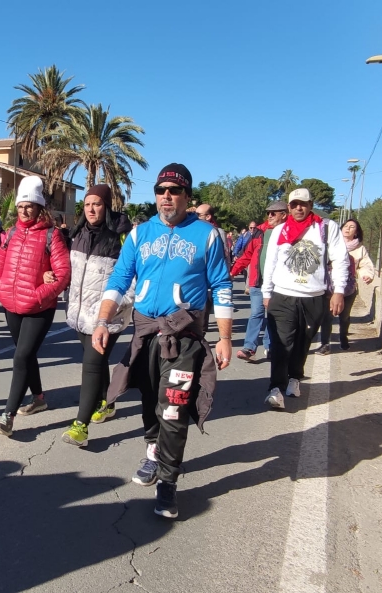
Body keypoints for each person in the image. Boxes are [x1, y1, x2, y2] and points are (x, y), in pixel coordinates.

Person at [92, 163, 233, 519]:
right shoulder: (140, 234)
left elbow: (222, 286)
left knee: (173, 405)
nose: (166, 196)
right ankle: (153, 451)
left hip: (183, 336)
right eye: (160, 190)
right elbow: (120, 278)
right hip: (144, 332)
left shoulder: (208, 235)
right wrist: (102, 320)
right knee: (149, 397)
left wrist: (226, 338)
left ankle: (168, 482)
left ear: (187, 196)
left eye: (174, 190)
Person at [0, 176, 71, 437]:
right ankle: (39, 399)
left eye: (30, 206)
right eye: (21, 206)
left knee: (21, 357)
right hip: (11, 304)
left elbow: (63, 273)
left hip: (38, 308)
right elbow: (0, 262)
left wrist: (39, 295)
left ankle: (7, 416)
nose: (24, 211)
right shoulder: (11, 232)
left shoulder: (51, 235)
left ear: (39, 207)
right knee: (27, 355)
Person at [59, 184, 132, 447]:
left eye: (97, 204)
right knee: (98, 364)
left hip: (107, 318)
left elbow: (132, 278)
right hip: (80, 315)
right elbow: (72, 271)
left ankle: (81, 426)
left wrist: (113, 307)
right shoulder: (78, 233)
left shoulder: (122, 235)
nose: (91, 209)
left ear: (107, 206)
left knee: (90, 366)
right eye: (87, 204)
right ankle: (107, 403)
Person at [261, 188, 348, 409]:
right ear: (288, 208)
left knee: (303, 342)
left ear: (310, 205)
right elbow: (270, 263)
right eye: (294, 204)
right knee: (282, 344)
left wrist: (338, 291)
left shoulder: (326, 228)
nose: (299, 208)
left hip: (314, 297)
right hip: (283, 295)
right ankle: (276, 389)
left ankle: (294, 378)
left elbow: (340, 260)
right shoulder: (280, 230)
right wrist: (266, 292)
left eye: (304, 204)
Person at [231, 200, 288, 361]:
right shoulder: (259, 232)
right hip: (257, 282)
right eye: (268, 213)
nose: (269, 215)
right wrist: (232, 272)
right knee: (256, 313)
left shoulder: (290, 232)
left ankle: (270, 347)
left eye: (273, 213)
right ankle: (249, 347)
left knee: (272, 315)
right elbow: (247, 255)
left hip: (279, 285)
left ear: (284, 215)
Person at [317, 218, 375, 353]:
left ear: (356, 232)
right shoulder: (331, 244)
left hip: (348, 289)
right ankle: (325, 344)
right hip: (330, 286)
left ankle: (343, 337)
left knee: (344, 316)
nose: (348, 228)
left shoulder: (360, 249)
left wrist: (367, 275)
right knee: (327, 316)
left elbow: (365, 265)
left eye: (352, 227)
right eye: (346, 226)